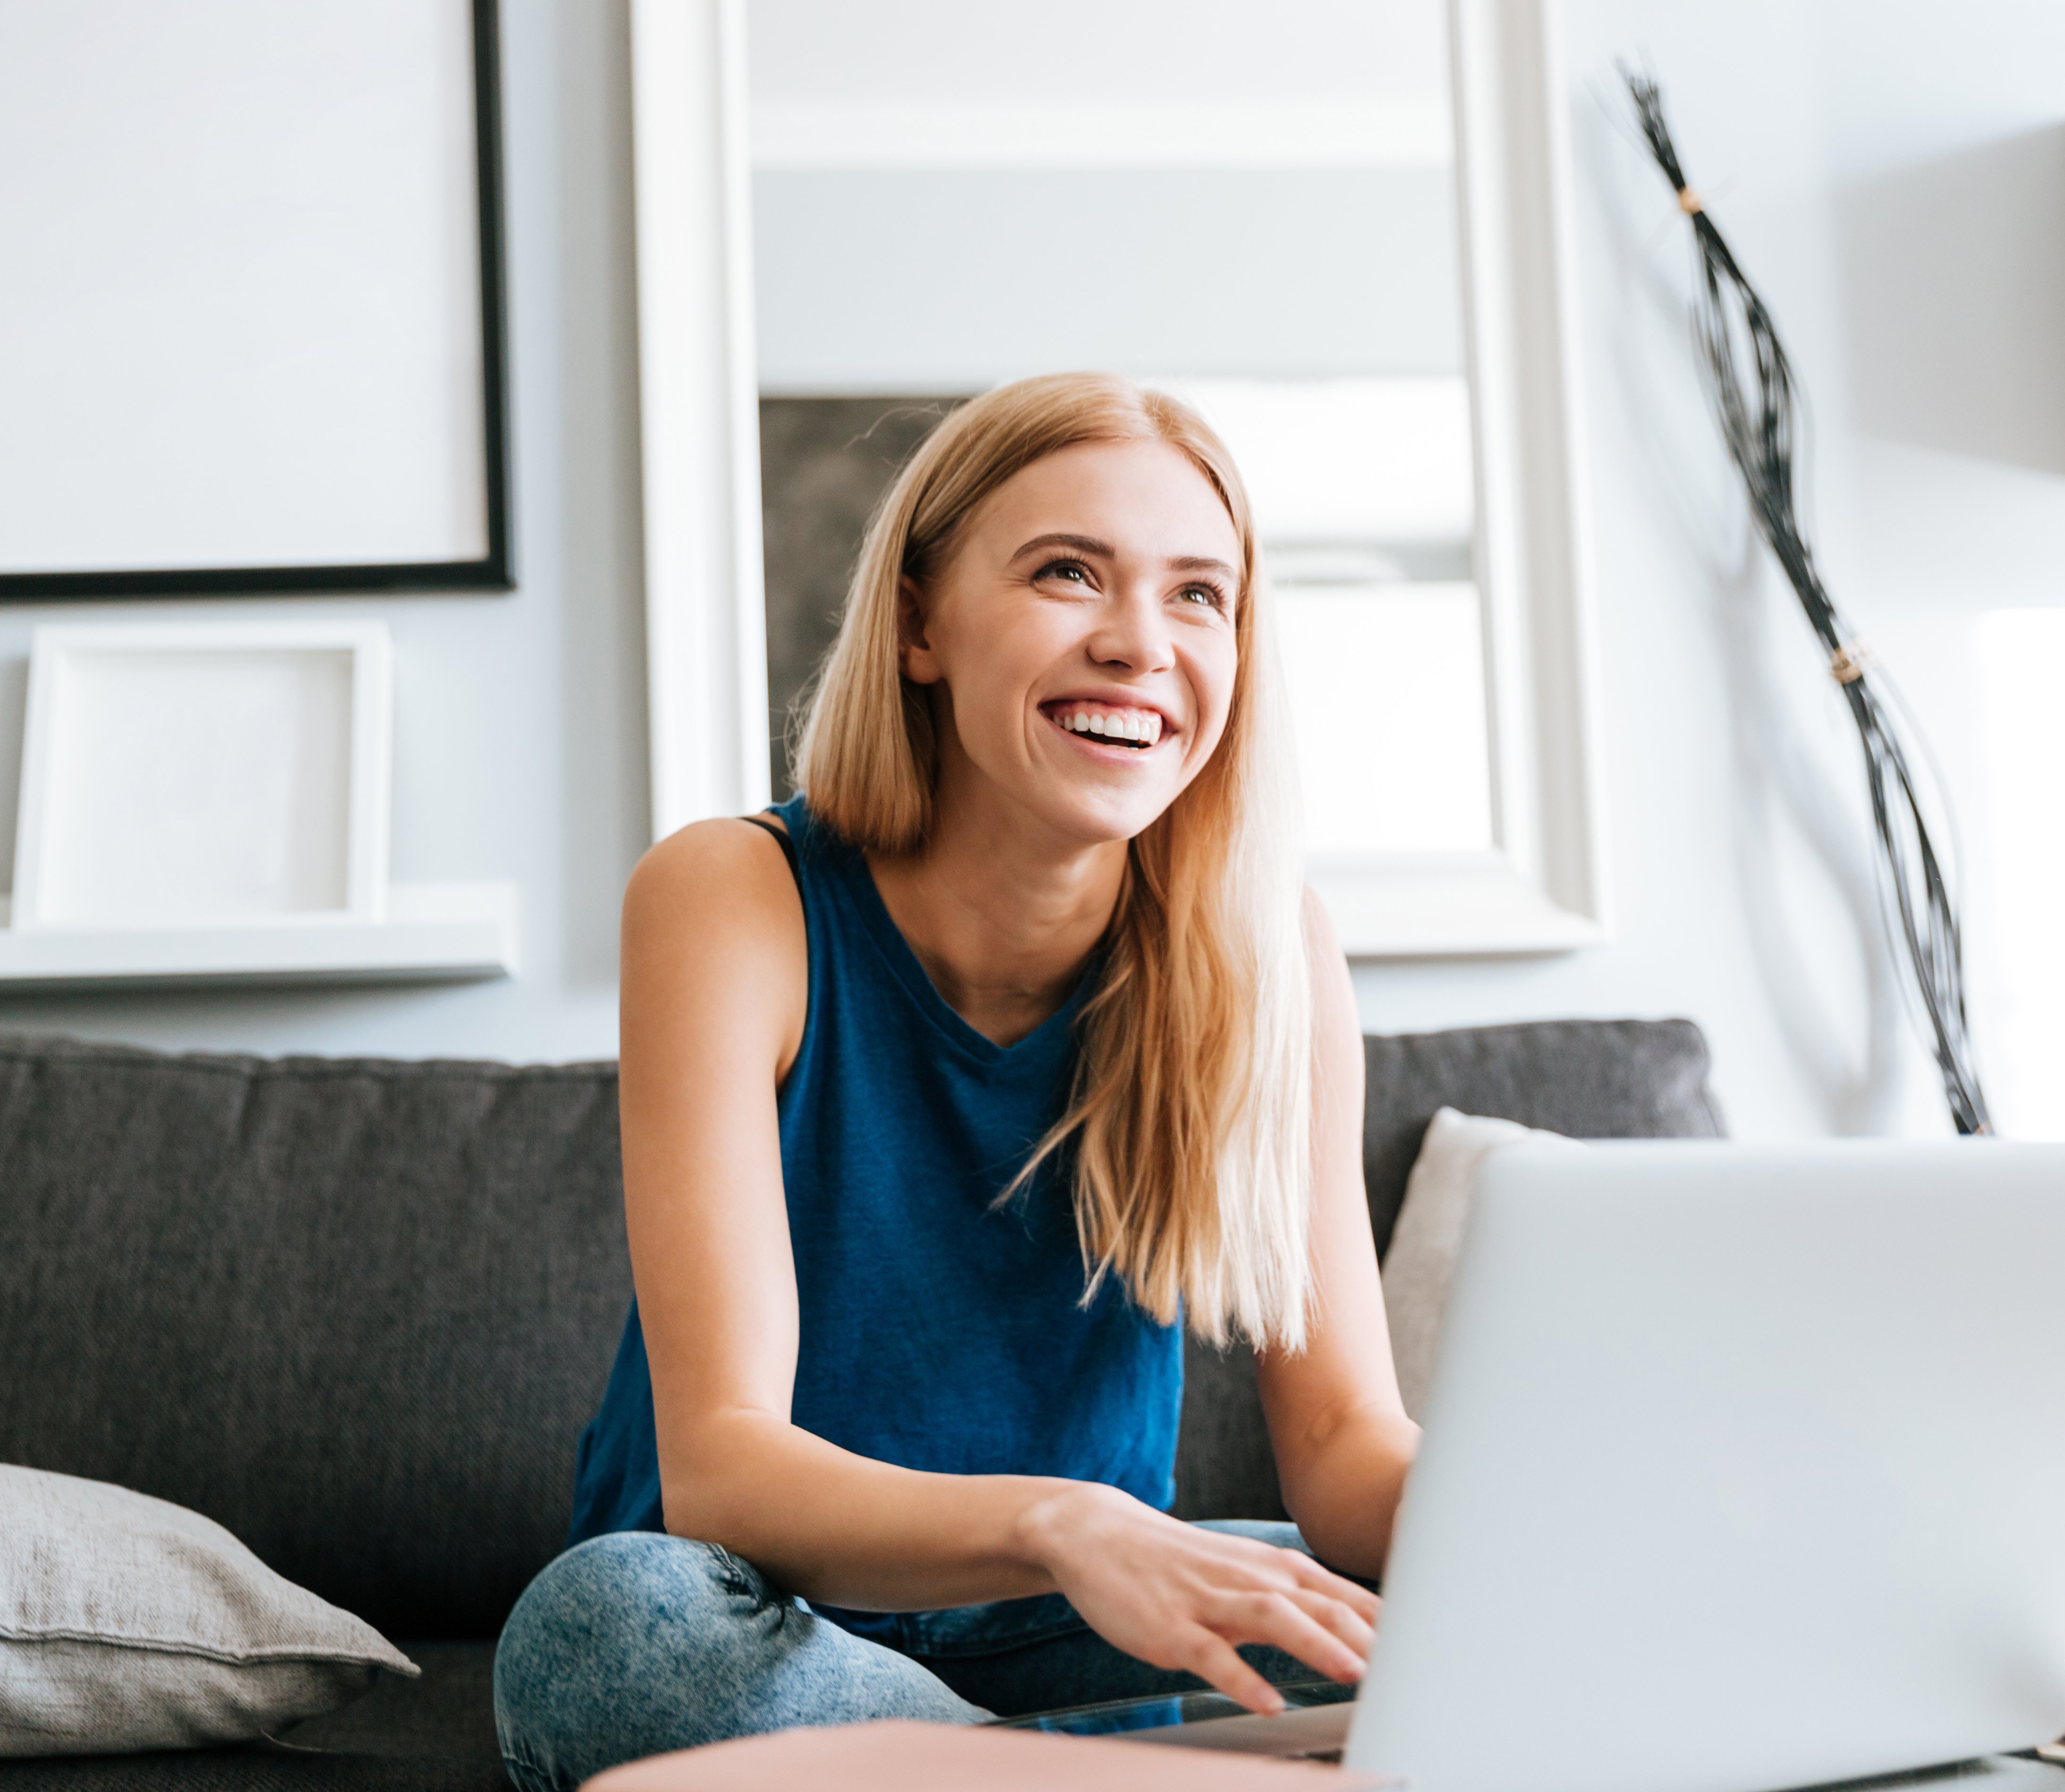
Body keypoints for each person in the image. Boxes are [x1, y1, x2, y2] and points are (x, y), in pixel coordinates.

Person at [492, 374, 1417, 1787]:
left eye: (1197, 597)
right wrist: (1063, 1523)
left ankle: (988, 1768)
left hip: (1083, 1620)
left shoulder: (1266, 950)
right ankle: (1101, 1768)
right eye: (1067, 573)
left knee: (1416, 1614)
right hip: (770, 1621)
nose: (1138, 646)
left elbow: (1348, 1445)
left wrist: (1549, 1539)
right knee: (608, 1633)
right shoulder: (735, 899)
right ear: (920, 624)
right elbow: (726, 1464)